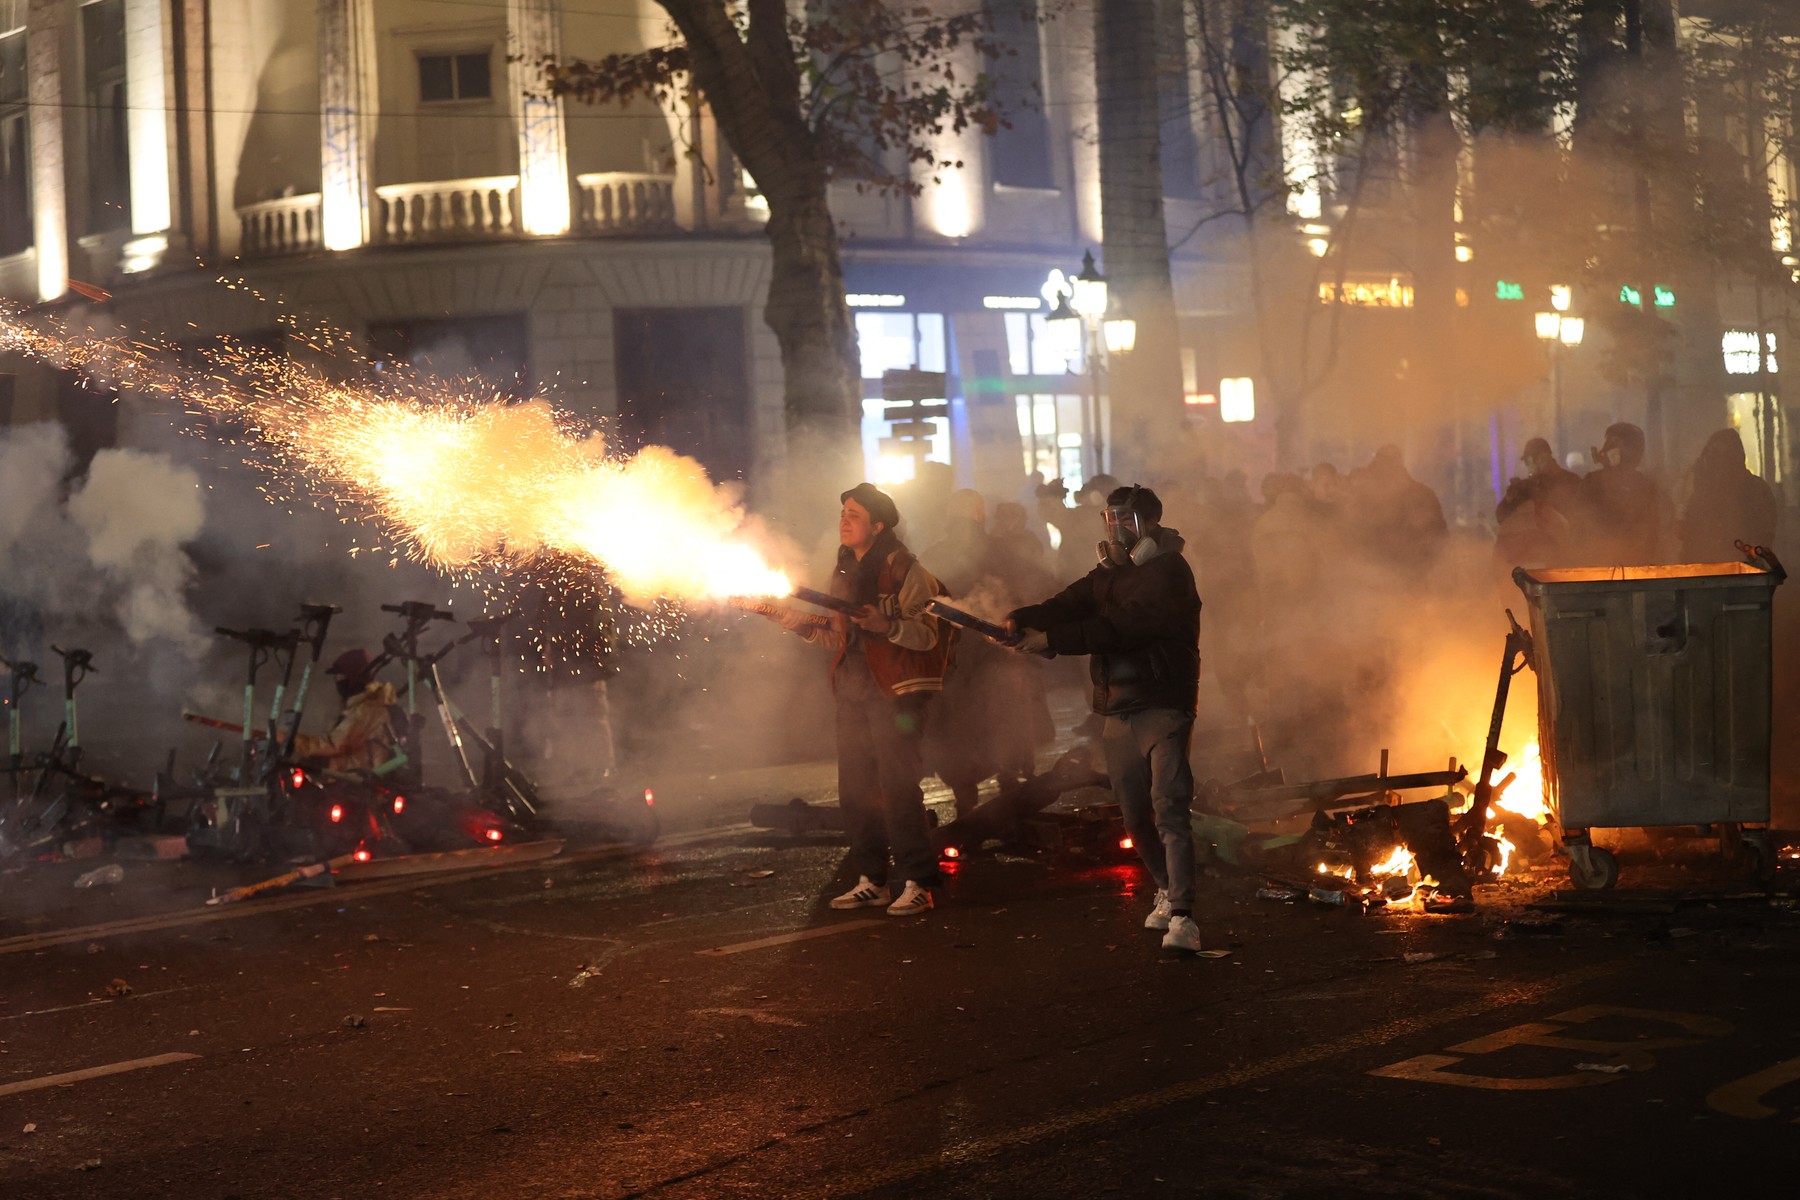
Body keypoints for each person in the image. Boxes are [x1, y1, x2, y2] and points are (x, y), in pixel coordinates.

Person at [1004, 485, 1204, 952]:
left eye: (1125, 518)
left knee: (1170, 810)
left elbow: (1125, 627)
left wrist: (1051, 639)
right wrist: (1022, 618)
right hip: (1117, 708)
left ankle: (1184, 916)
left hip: (1164, 705)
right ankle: (1165, 889)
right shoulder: (1110, 572)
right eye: (1109, 518)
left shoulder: (1170, 570)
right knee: (1135, 816)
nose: (1115, 527)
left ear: (1150, 524)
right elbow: (1070, 602)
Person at [772, 483, 950, 917]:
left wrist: (885, 625)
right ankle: (870, 879)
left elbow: (930, 632)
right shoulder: (844, 570)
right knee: (855, 790)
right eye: (842, 513)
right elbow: (837, 635)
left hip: (896, 694)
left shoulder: (905, 568)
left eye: (854, 514)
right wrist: (799, 625)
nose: (844, 520)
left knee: (896, 788)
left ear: (878, 524)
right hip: (852, 694)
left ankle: (919, 883)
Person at [291, 648, 404, 774]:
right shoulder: (369, 704)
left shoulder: (366, 711)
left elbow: (334, 746)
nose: (337, 680)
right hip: (358, 772)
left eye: (340, 675)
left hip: (362, 778)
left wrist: (289, 740)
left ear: (354, 677)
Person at [1678, 428, 1778, 563]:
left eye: (1725, 456)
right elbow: (1690, 535)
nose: (1718, 462)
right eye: (1713, 456)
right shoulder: (1703, 492)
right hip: (1703, 572)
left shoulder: (1757, 490)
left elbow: (1763, 537)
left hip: (1745, 573)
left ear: (1737, 457)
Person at [1577, 422, 1670, 565]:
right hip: (1598, 567)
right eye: (1608, 441)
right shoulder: (1592, 483)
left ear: (1633, 450)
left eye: (1616, 442)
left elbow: (1655, 533)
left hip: (1637, 567)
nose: (1607, 447)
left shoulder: (1646, 487)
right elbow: (1579, 528)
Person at [1494, 437, 1581, 566]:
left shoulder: (1527, 487)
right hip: (1574, 557)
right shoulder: (1575, 480)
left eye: (1527, 462)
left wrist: (1511, 497)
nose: (1528, 467)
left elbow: (1501, 515)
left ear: (1539, 459)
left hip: (1542, 559)